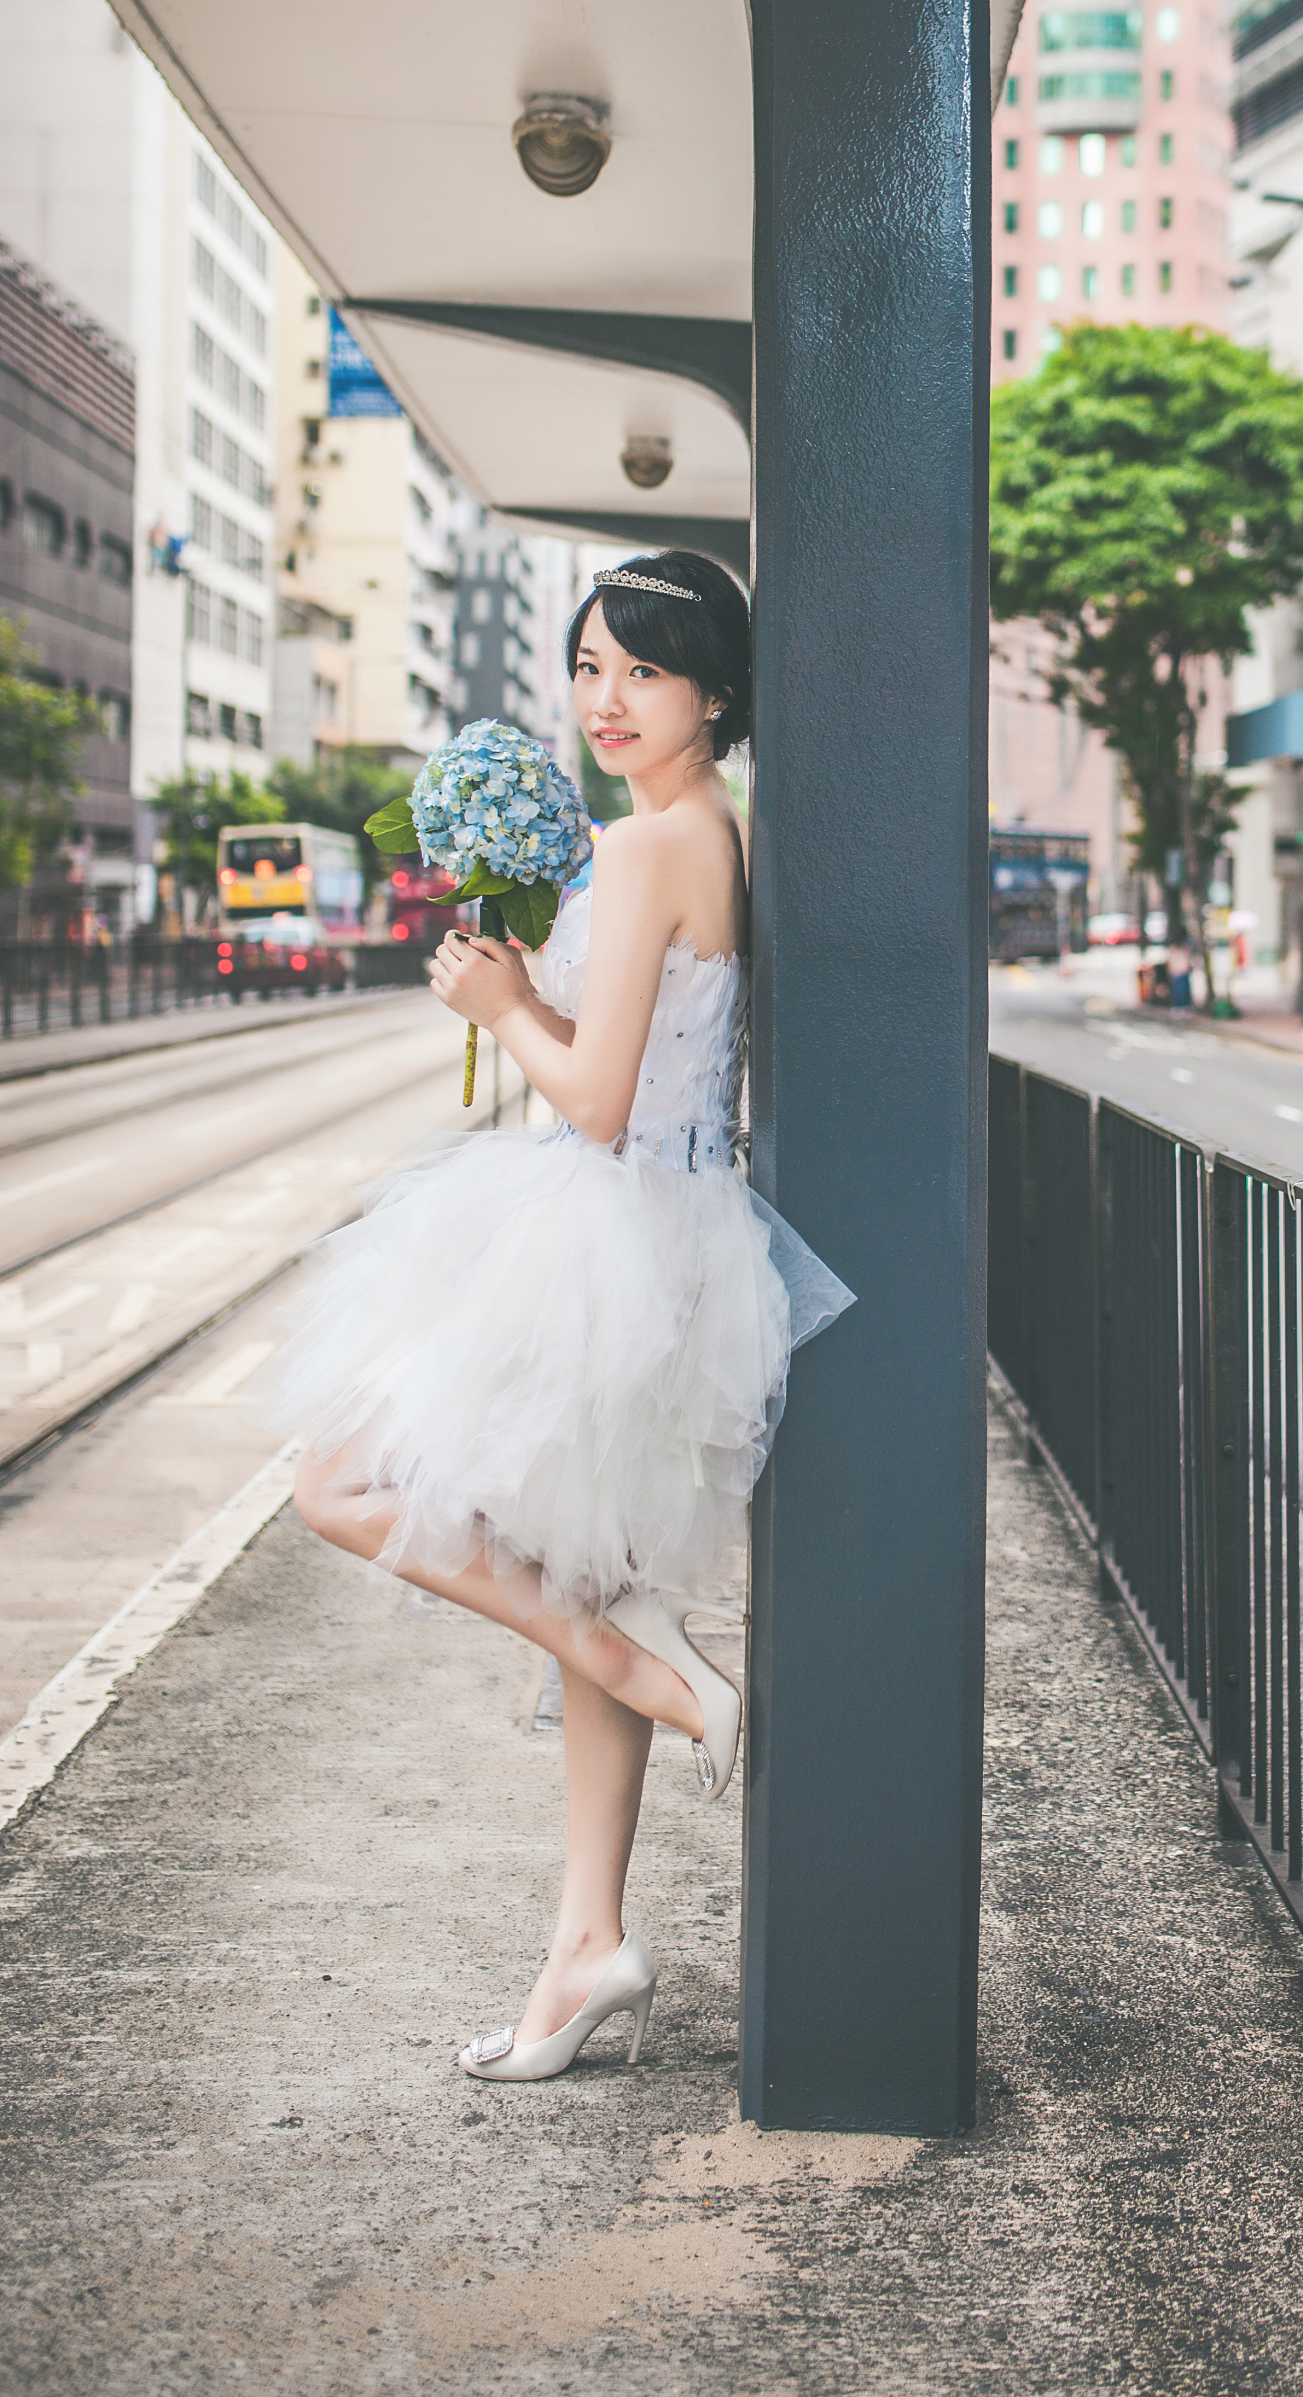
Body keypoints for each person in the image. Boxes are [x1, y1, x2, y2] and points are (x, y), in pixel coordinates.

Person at [264, 554, 852, 2085]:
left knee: (337, 1479)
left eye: (644, 674)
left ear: (715, 693)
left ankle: (663, 1668)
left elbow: (591, 1102)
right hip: (660, 1233)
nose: (607, 700)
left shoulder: (667, 840)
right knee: (594, 1575)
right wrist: (530, 981)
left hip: (616, 1221)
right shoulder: (676, 831)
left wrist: (499, 1010)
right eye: (591, 667)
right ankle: (584, 1950)